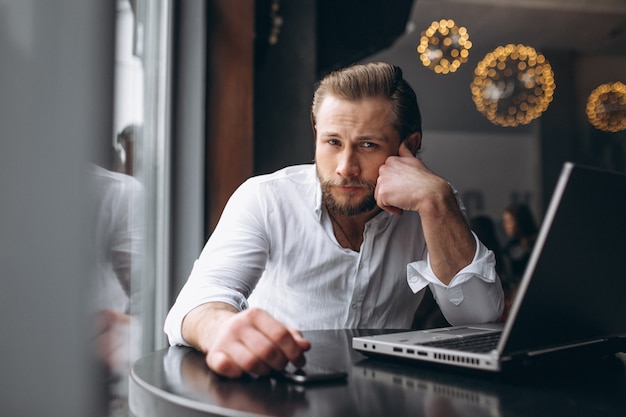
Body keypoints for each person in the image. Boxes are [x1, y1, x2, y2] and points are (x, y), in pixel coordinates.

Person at [164, 62, 504, 379]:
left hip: (384, 400)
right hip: (277, 396)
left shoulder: (434, 205)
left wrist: (436, 203)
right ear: (316, 133)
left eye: (367, 145)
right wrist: (220, 328)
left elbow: (479, 320)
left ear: (409, 146)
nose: (344, 167)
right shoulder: (265, 198)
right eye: (332, 142)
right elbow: (198, 301)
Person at [502, 203, 538, 284]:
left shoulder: (537, 243)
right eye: (505, 221)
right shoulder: (510, 246)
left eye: (509, 221)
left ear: (520, 220)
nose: (505, 225)